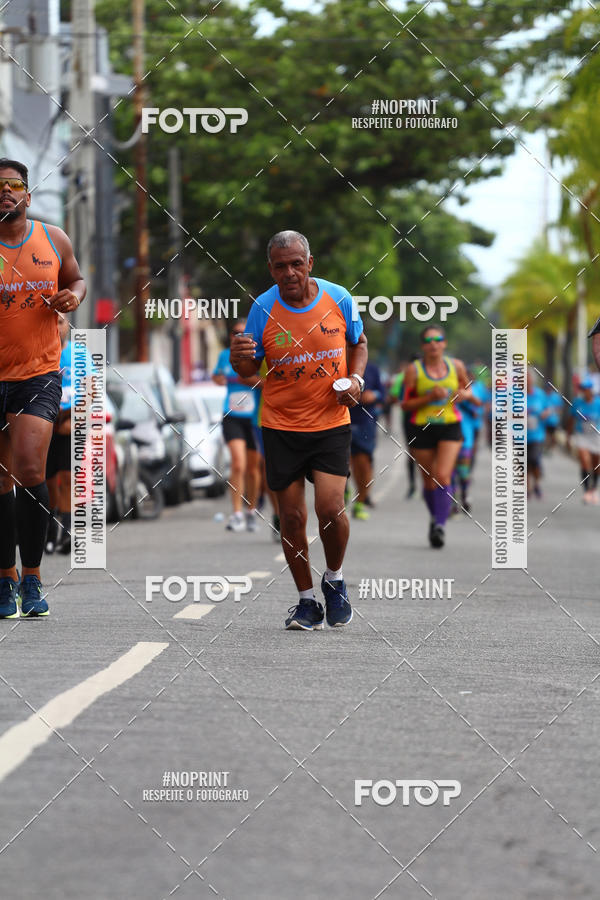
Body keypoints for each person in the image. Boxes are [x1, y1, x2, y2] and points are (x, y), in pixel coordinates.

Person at [230, 229, 367, 630]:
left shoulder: (338, 297)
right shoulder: (262, 307)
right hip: (280, 425)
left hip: (329, 422)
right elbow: (248, 370)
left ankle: (335, 579)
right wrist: (240, 358)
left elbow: (358, 343)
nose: (289, 272)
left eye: (295, 264)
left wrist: (356, 381)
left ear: (310, 264)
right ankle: (306, 600)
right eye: (279, 266)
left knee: (330, 508)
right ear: (270, 270)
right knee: (290, 517)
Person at [0, 158, 85, 619]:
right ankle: (4, 579)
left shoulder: (53, 238)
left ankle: (32, 578)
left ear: (27, 196)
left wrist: (74, 296)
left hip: (38, 372)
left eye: (14, 186)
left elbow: (75, 277)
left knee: (31, 467)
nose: (5, 192)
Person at [401, 325, 474, 548]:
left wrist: (464, 394)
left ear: (444, 343)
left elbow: (467, 389)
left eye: (438, 339)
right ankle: (435, 517)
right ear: (423, 346)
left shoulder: (457, 366)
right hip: (422, 427)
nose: (433, 344)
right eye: (428, 340)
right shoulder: (414, 370)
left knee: (443, 476)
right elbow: (405, 404)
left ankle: (440, 526)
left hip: (450, 426)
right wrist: (429, 397)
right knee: (429, 481)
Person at [212, 320, 262, 532]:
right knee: (238, 464)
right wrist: (220, 379)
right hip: (231, 415)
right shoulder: (225, 356)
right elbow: (216, 375)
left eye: (244, 334)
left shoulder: (257, 355)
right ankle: (236, 513)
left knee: (252, 468)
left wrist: (248, 380)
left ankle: (251, 511)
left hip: (253, 418)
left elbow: (266, 383)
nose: (239, 337)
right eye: (235, 333)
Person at [45, 316, 73, 554]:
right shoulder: (40, 353)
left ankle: (67, 532)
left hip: (69, 423)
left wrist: (73, 417)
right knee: (48, 481)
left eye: (62, 322)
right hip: (43, 423)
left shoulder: (78, 355)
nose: (57, 326)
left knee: (68, 476)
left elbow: (92, 389)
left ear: (69, 326)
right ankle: (49, 531)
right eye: (53, 322)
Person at [349, 359, 383, 520]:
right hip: (339, 421)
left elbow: (382, 393)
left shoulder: (371, 369)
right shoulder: (334, 363)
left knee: (363, 464)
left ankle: (360, 502)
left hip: (365, 422)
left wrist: (373, 395)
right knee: (340, 465)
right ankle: (341, 491)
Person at [566, 375, 600, 504]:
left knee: (596, 464)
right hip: (582, 435)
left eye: (586, 389)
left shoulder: (598, 403)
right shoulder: (577, 403)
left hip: (595, 436)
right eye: (582, 389)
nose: (584, 391)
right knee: (585, 461)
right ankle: (587, 491)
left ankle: (593, 489)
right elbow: (571, 420)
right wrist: (568, 437)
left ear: (591, 390)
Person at [526, 370, 548, 499]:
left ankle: (537, 483)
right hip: (519, 435)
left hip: (536, 435)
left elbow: (547, 409)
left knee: (534, 460)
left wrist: (544, 414)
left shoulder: (540, 394)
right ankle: (527, 488)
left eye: (528, 379)